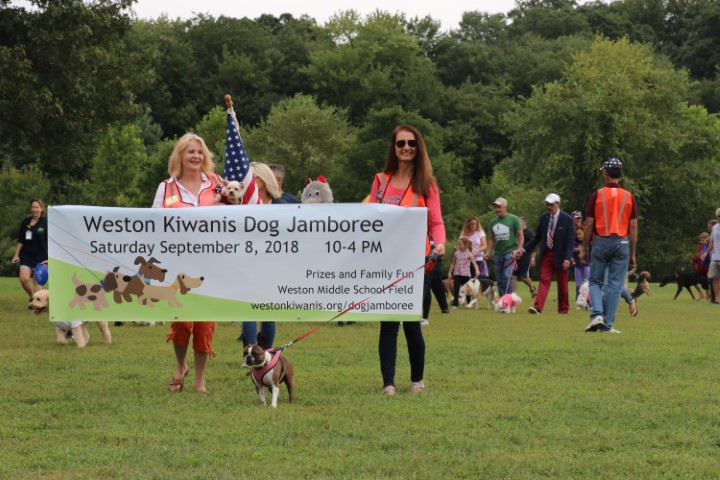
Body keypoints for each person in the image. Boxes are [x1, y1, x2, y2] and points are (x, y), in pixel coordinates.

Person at [368, 124, 446, 396]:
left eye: (411, 143)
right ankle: (388, 383)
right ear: (394, 148)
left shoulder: (426, 183)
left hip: (417, 261)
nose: (406, 148)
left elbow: (435, 221)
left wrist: (441, 243)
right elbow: (368, 217)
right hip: (386, 261)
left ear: (418, 147)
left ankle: (417, 381)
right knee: (388, 322)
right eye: (400, 144)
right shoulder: (381, 180)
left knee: (412, 322)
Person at [152, 133, 223, 393]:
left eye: (199, 152)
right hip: (177, 264)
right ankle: (180, 366)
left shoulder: (217, 184)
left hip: (211, 263)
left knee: (204, 324)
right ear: (179, 156)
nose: (195, 156)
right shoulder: (166, 187)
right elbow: (154, 224)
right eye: (189, 151)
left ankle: (200, 379)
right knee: (182, 322)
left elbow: (234, 214)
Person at [581, 157, 638, 333]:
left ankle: (597, 314)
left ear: (605, 173)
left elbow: (589, 224)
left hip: (601, 241)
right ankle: (607, 325)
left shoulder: (596, 195)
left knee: (596, 282)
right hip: (622, 243)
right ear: (620, 174)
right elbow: (634, 227)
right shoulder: (629, 197)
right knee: (615, 285)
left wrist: (584, 248)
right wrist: (633, 253)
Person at [239, 162, 286, 347]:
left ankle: (267, 355)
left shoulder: (284, 204)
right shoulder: (242, 204)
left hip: (274, 265)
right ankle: (250, 352)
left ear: (265, 180)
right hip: (248, 264)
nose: (250, 181)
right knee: (247, 309)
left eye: (254, 177)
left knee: (269, 313)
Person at [522, 193, 575, 314]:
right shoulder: (544, 218)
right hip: (547, 254)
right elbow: (537, 238)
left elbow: (571, 241)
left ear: (558, 204)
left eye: (551, 204)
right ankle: (537, 307)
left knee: (562, 284)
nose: (549, 207)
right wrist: (524, 249)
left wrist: (567, 258)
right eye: (547, 204)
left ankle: (563, 309)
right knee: (544, 280)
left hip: (562, 257)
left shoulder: (567, 219)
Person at [486, 198, 524, 297]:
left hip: (510, 253)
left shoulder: (513, 219)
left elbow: (520, 235)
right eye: (496, 207)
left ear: (505, 207)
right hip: (498, 254)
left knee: (506, 277)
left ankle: (509, 301)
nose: (497, 209)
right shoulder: (493, 222)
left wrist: (519, 249)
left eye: (499, 207)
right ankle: (503, 302)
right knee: (499, 280)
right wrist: (488, 252)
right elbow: (491, 239)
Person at [12, 198, 48, 298]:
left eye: (37, 207)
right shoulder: (25, 222)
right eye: (33, 207)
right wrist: (16, 255)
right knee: (23, 279)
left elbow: (51, 241)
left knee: (37, 284)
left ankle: (38, 305)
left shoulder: (46, 223)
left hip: (41, 259)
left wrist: (49, 259)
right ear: (30, 208)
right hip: (26, 257)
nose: (34, 209)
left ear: (41, 208)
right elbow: (21, 240)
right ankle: (32, 297)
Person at [447, 237, 480, 308]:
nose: (458, 246)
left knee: (467, 291)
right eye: (458, 244)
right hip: (457, 274)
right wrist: (449, 272)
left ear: (466, 245)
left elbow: (475, 264)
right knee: (456, 290)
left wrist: (477, 270)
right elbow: (453, 263)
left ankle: (468, 303)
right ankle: (455, 305)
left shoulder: (469, 254)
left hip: (466, 275)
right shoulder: (456, 253)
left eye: (460, 244)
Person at [511, 216, 537, 298]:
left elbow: (534, 248)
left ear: (524, 223)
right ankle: (514, 295)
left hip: (525, 259)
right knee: (513, 276)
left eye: (519, 221)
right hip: (515, 259)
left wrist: (533, 259)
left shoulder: (530, 234)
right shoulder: (516, 233)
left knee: (523, 277)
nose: (517, 223)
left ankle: (532, 288)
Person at [702, 209, 720, 304]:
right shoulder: (715, 228)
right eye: (718, 216)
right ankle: (717, 299)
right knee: (713, 278)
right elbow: (712, 243)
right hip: (714, 258)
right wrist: (706, 253)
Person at [572, 226, 591, 298]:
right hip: (577, 266)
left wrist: (584, 251)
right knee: (578, 285)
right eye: (577, 234)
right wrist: (576, 249)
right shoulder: (575, 242)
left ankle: (588, 299)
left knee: (586, 283)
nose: (578, 236)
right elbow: (570, 250)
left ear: (584, 233)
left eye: (580, 234)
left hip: (587, 265)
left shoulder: (588, 242)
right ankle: (578, 299)